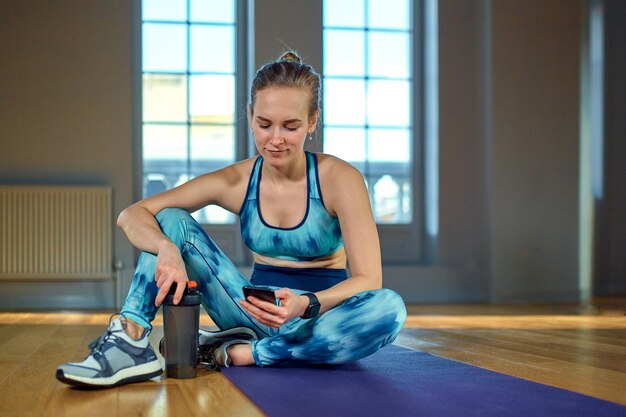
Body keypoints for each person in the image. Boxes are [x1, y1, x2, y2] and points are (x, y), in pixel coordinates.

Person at [56, 51, 407, 388]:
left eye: (291, 126)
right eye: (264, 124)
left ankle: (243, 353)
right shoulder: (237, 181)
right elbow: (132, 214)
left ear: (313, 121)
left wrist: (306, 304)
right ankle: (130, 340)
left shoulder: (339, 179)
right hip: (250, 312)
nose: (275, 139)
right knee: (171, 219)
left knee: (389, 308)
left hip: (320, 318)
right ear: (250, 114)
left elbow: (368, 279)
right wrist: (166, 248)